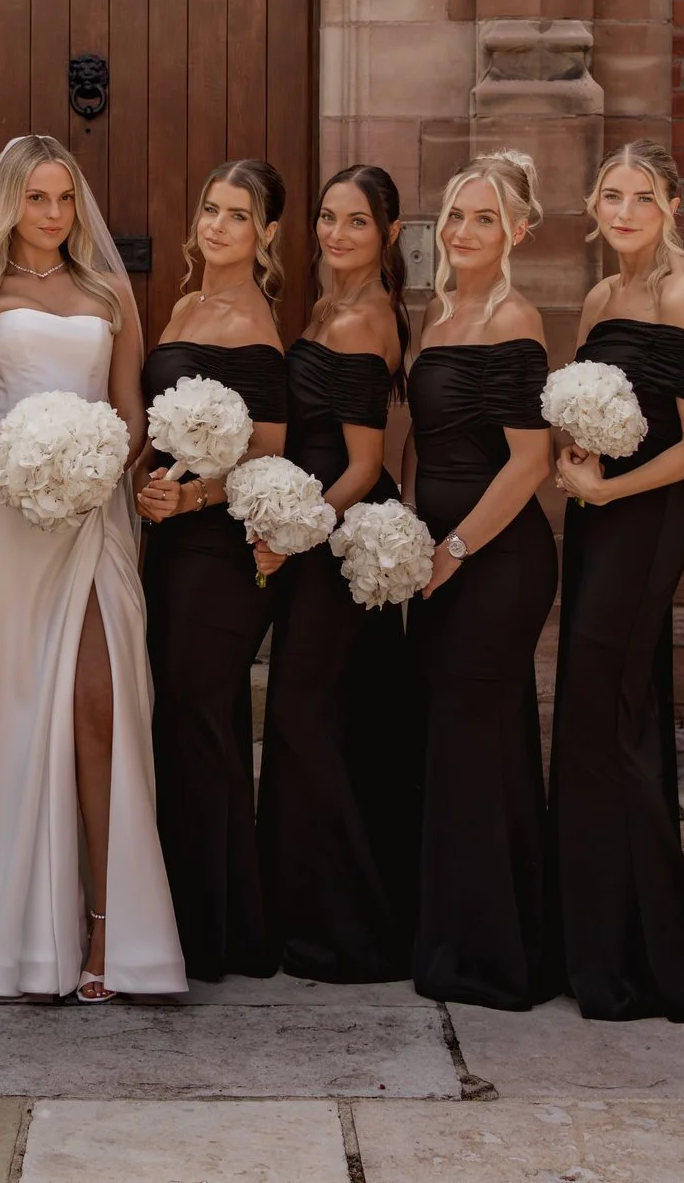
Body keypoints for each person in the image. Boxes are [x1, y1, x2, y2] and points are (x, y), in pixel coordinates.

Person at [0, 135, 184, 1003]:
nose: (53, 215)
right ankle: (12, 932)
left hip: (92, 518)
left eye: (64, 199)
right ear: (10, 203)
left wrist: (96, 469)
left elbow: (129, 414)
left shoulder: (108, 293)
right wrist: (20, 468)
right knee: (12, 715)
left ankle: (105, 928)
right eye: (36, 199)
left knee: (99, 707)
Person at [549, 141, 684, 1021]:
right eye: (611, 195)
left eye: (643, 197)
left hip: (647, 516)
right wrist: (575, 455)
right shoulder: (597, 296)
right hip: (595, 516)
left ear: (672, 205)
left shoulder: (683, 289)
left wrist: (607, 486)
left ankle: (659, 954)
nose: (623, 211)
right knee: (591, 712)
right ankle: (594, 937)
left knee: (614, 710)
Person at [406, 151, 559, 1009]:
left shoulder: (517, 319)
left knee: (483, 736)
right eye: (457, 216)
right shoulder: (439, 316)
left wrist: (451, 551)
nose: (465, 232)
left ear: (517, 232)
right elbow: (423, 443)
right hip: (436, 551)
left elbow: (529, 461)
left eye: (486, 219)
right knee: (453, 741)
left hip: (495, 557)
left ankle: (501, 956)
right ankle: (456, 936)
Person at [253, 164, 411, 983]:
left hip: (338, 535)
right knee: (317, 722)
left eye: (356, 222)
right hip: (319, 529)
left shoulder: (363, 319)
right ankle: (303, 910)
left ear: (387, 234)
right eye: (326, 217)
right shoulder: (325, 306)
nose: (336, 233)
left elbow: (363, 464)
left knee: (307, 723)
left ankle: (342, 929)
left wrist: (294, 532)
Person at [136, 161, 289, 983]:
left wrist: (191, 499)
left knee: (199, 719)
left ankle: (218, 931)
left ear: (266, 233)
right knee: (188, 719)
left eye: (239, 214)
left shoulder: (255, 320)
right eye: (210, 208)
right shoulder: (186, 304)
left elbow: (271, 449)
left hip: (221, 553)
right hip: (170, 545)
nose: (218, 224)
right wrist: (146, 485)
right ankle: (196, 916)